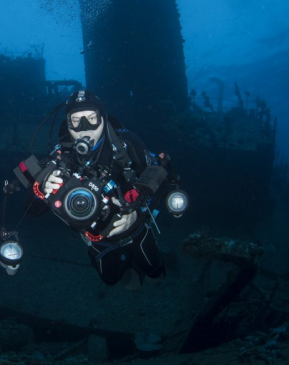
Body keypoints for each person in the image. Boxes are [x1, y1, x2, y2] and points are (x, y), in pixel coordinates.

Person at [32, 90, 181, 287]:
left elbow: (161, 177)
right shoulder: (62, 155)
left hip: (136, 227)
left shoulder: (126, 143)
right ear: (67, 124)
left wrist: (138, 214)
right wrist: (44, 183)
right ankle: (126, 267)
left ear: (103, 118)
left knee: (154, 271)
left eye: (92, 119)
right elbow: (32, 210)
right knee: (110, 278)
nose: (84, 129)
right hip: (97, 236)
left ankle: (150, 268)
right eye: (75, 121)